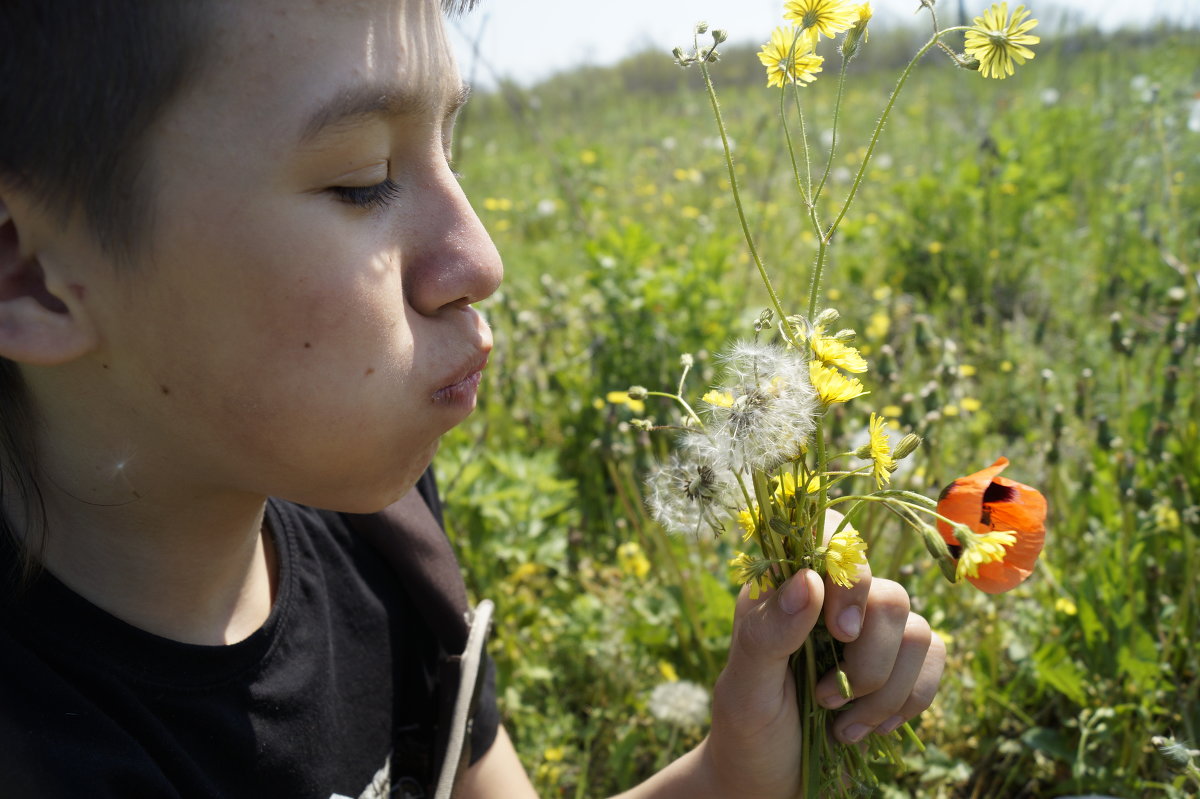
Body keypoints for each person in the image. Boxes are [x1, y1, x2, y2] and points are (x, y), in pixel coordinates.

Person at [0, 1, 946, 796]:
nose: (482, 261)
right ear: (30, 275)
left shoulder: (380, 537)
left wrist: (738, 767)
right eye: (362, 183)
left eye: (452, 151)